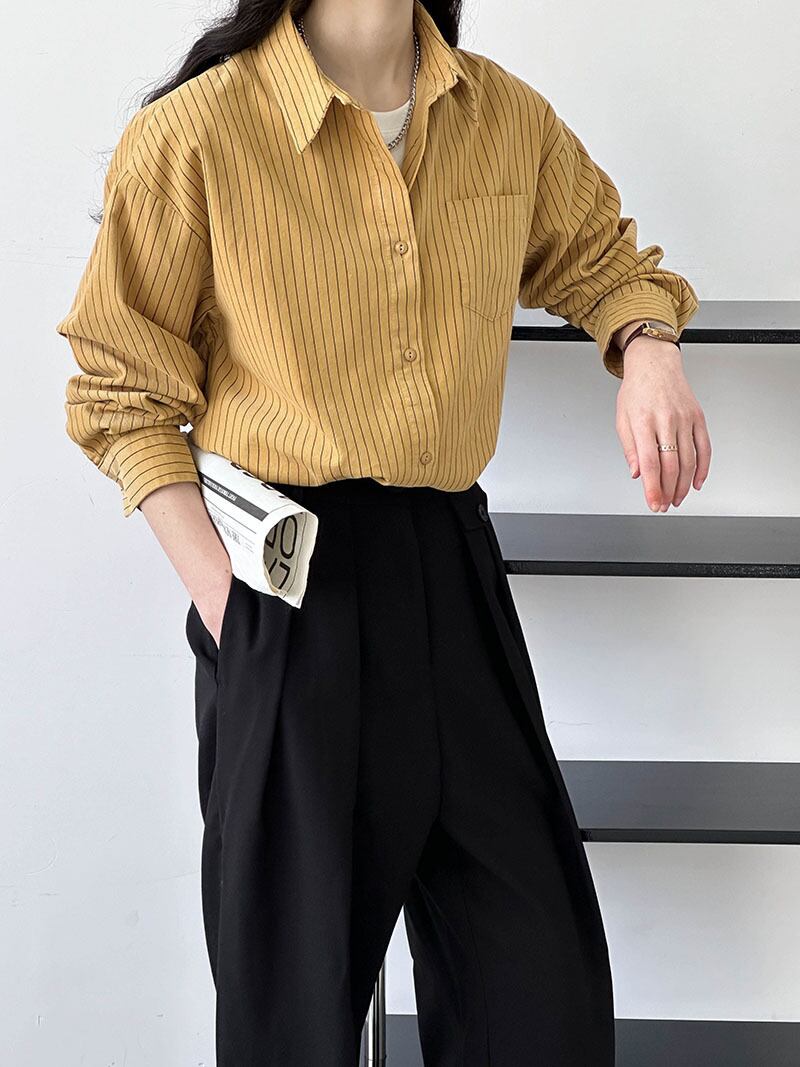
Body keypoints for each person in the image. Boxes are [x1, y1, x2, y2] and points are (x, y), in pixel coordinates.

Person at [54, 1, 709, 1063]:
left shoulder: (503, 118)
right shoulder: (198, 132)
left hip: (451, 568)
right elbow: (120, 394)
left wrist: (648, 350)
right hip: (286, 591)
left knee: (538, 996)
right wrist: (236, 614)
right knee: (295, 1017)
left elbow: (605, 260)